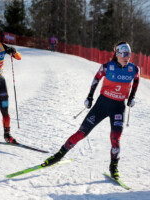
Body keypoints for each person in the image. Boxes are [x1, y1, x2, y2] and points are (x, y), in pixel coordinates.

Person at [41, 41, 140, 180]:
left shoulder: (134, 69)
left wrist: (132, 97)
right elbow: (96, 80)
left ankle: (113, 167)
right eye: (124, 54)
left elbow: (136, 80)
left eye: (129, 54)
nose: (127, 57)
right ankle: (58, 155)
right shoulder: (107, 67)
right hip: (102, 105)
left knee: (115, 137)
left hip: (118, 107)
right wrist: (89, 97)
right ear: (117, 54)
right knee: (82, 133)